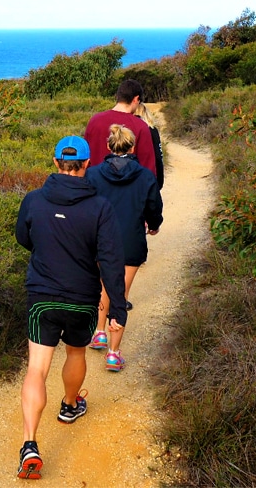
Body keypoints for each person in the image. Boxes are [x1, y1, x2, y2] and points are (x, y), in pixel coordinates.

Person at [14, 135, 128, 480]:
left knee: (37, 369)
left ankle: (29, 444)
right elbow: (111, 261)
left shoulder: (33, 201)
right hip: (82, 299)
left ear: (55, 163)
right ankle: (69, 406)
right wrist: (117, 311)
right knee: (76, 354)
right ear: (87, 164)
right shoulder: (100, 207)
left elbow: (23, 238)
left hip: (42, 297)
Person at [86, 124, 163, 371]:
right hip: (130, 241)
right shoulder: (145, 176)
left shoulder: (93, 174)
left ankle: (99, 332)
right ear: (133, 147)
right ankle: (113, 353)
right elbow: (153, 207)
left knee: (102, 287)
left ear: (108, 146)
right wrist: (154, 225)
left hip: (100, 240)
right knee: (121, 294)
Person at [84, 79, 157, 177]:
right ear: (136, 99)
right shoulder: (140, 126)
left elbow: (85, 158)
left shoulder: (94, 121)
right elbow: (148, 169)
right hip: (129, 189)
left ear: (118, 97)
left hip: (95, 186)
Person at [135, 101, 164, 191]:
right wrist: (159, 180)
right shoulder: (152, 130)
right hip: (148, 176)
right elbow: (158, 156)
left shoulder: (127, 130)